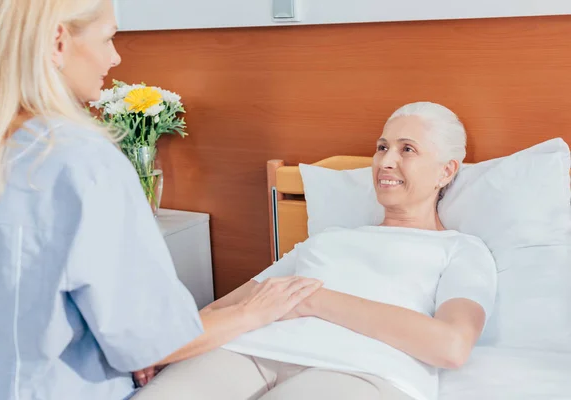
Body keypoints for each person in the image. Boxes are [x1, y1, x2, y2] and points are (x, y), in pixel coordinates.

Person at [0, 1, 321, 399]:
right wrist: (253, 311)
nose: (115, 56)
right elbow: (154, 342)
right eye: (108, 38)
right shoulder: (81, 161)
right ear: (58, 41)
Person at [132, 102, 498, 400]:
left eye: (408, 150)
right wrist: (168, 349)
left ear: (446, 171)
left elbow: (451, 346)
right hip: (248, 352)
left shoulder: (461, 250)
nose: (386, 161)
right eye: (382, 147)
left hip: (359, 371)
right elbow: (226, 308)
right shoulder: (328, 239)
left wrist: (313, 301)